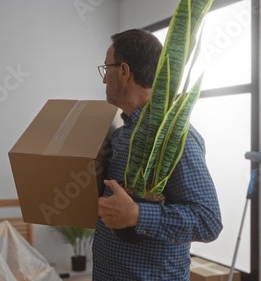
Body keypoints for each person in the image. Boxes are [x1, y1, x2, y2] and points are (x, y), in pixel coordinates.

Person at [93, 29, 223, 280]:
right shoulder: (120, 136)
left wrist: (138, 215)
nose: (103, 79)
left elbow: (209, 221)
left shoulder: (177, 139)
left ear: (124, 71)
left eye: (105, 69)